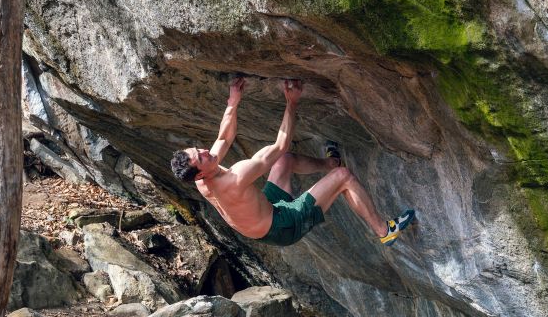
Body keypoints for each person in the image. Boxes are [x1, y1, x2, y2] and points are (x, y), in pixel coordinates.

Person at [170, 77, 415, 247]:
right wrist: (292, 102)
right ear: (200, 173)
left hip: (266, 212)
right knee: (344, 177)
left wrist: (233, 102)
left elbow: (223, 138)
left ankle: (331, 163)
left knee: (284, 162)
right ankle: (384, 231)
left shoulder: (202, 178)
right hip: (282, 226)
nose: (206, 151)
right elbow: (280, 144)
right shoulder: (235, 178)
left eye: (198, 149)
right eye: (201, 157)